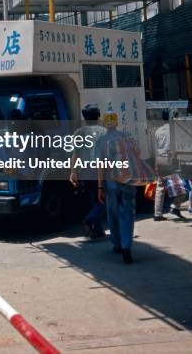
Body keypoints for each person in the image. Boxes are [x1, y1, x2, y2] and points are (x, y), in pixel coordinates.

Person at [96, 112, 138, 264]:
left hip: (111, 182)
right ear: (116, 123)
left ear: (104, 124)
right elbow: (137, 156)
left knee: (112, 213)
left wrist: (99, 187)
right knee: (127, 213)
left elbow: (100, 166)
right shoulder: (127, 137)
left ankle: (117, 244)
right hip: (127, 180)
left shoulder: (101, 141)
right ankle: (127, 246)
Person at [70, 104, 107, 239]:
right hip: (100, 170)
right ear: (98, 117)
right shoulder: (104, 132)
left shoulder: (79, 132)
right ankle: (89, 219)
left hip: (84, 172)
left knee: (93, 200)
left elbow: (75, 154)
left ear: (84, 118)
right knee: (105, 199)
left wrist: (73, 172)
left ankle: (98, 231)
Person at [153, 109, 187, 221]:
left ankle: (157, 214)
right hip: (169, 161)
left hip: (159, 160)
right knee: (182, 188)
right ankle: (175, 206)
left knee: (160, 187)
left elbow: (154, 148)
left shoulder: (157, 131)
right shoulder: (173, 131)